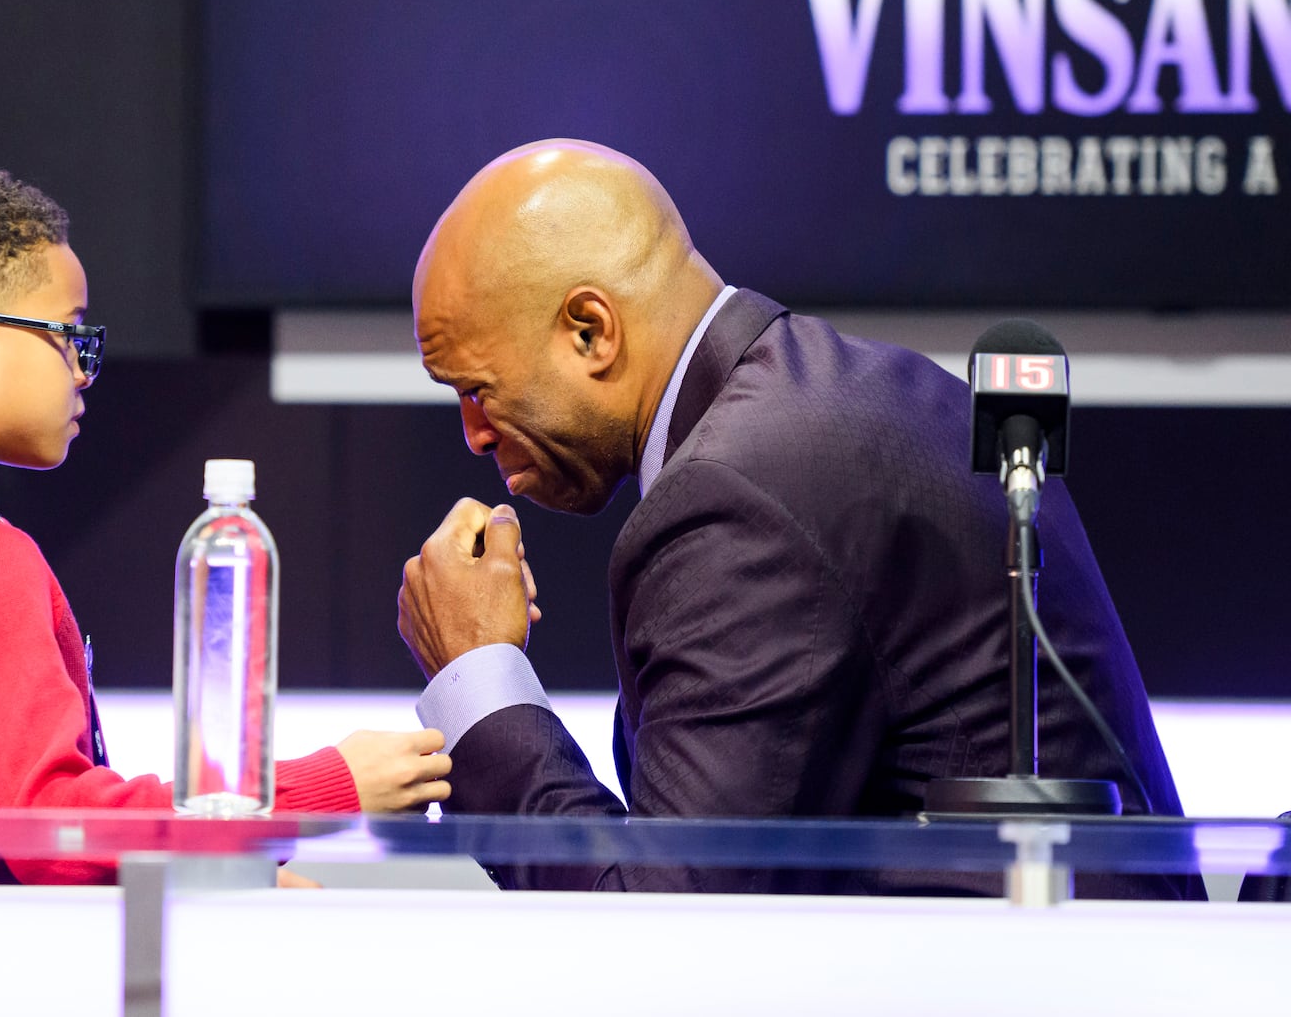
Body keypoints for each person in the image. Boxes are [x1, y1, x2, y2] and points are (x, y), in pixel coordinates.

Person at [397, 138, 1200, 898]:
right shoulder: (828, 401)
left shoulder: (742, 490)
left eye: (476, 390)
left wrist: (478, 676)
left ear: (591, 330)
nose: (473, 435)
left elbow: (655, 929)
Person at [0, 157, 449, 885]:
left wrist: (233, 869)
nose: (83, 371)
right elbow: (54, 825)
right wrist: (326, 787)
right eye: (69, 334)